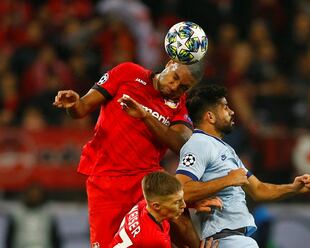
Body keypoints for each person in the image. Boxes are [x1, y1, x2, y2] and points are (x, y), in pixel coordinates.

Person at [53, 60, 204, 247]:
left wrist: (146, 116)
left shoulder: (179, 107)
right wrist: (73, 105)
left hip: (147, 180)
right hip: (105, 179)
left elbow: (181, 144)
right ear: (170, 63)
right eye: (174, 78)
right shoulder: (128, 73)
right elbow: (81, 108)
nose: (174, 87)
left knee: (180, 221)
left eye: (183, 87)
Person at [175, 84, 310, 248]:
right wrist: (226, 180)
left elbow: (259, 190)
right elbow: (180, 190)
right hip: (224, 238)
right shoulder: (199, 143)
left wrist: (293, 188)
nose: (232, 112)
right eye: (225, 107)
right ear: (210, 117)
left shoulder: (225, 149)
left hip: (237, 239)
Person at [109, 171, 219, 248]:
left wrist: (193, 204)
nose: (184, 205)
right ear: (156, 206)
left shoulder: (142, 205)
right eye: (177, 202)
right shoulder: (156, 240)